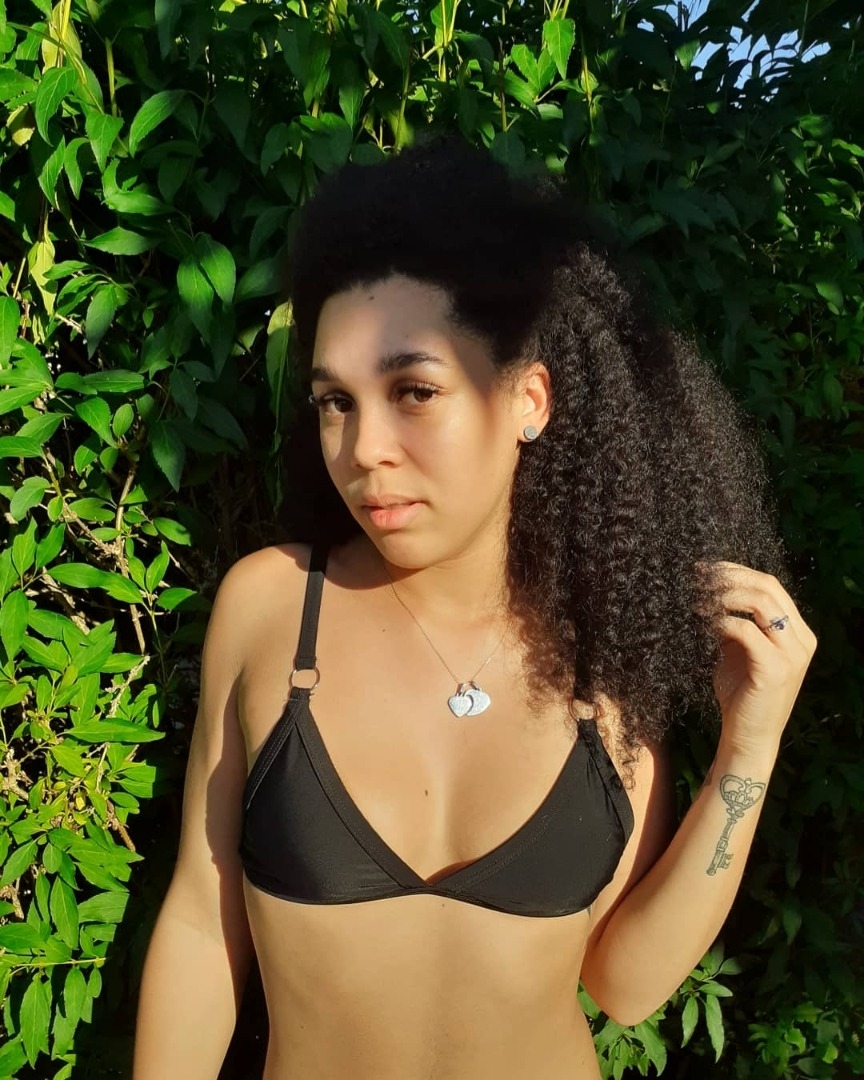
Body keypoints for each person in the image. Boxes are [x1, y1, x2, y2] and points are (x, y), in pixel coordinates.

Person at [132, 135, 817, 1080]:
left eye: (414, 390)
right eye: (335, 402)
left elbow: (626, 984)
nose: (364, 449)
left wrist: (750, 749)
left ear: (529, 399)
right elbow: (202, 927)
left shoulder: (602, 645)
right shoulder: (275, 609)